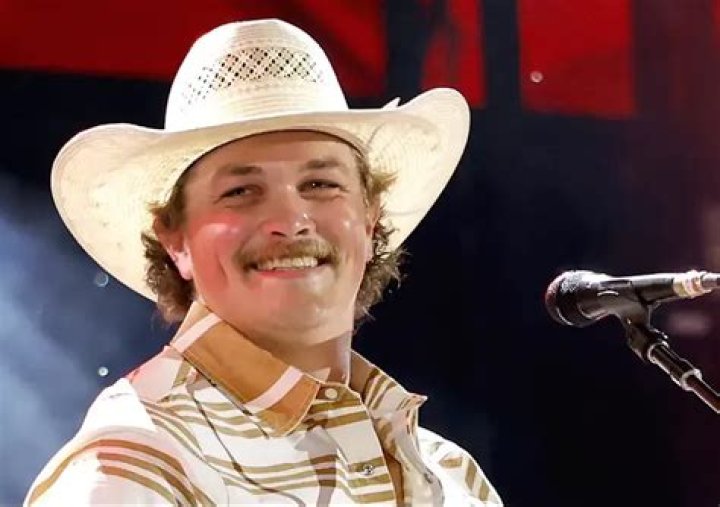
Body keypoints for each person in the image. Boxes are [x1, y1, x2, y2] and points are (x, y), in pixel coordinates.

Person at [25, 18, 502, 506]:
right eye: (241, 191)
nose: (291, 221)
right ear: (175, 241)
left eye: (320, 184)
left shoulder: (453, 476)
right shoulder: (138, 465)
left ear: (370, 218)